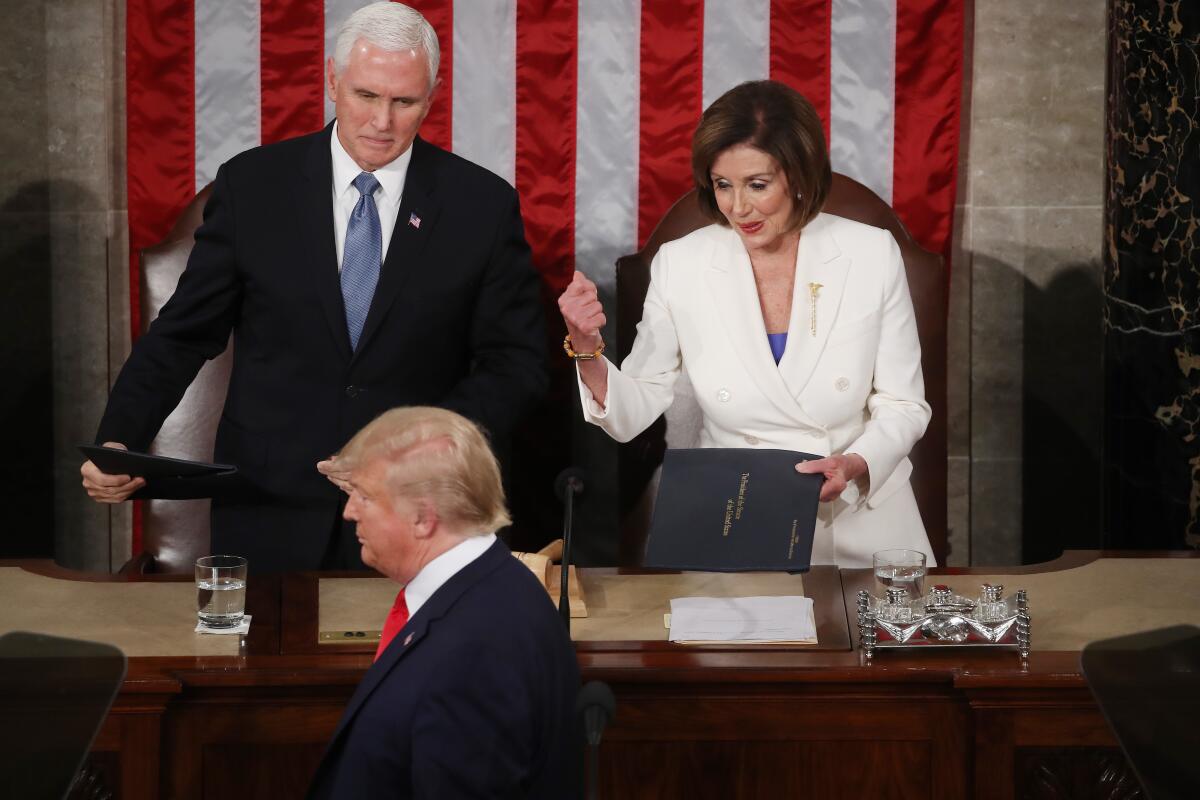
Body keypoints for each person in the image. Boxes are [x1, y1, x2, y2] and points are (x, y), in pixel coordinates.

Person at [80, 3, 546, 572]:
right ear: (332, 79)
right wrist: (120, 439)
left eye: (405, 102)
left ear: (433, 93)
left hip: (418, 511)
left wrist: (416, 450)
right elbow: (182, 334)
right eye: (366, 96)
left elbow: (515, 364)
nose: (382, 121)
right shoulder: (253, 187)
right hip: (268, 506)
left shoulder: (482, 206)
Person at [558, 80, 934, 568]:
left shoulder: (871, 253)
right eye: (723, 185)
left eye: (758, 185)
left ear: (799, 175)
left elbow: (905, 404)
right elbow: (634, 410)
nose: (738, 208)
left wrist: (856, 463)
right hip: (739, 518)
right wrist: (587, 349)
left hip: (859, 520)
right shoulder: (682, 263)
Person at [305, 407, 580, 799]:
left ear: (423, 518)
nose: (349, 513)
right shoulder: (491, 586)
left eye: (364, 496)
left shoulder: (477, 652)